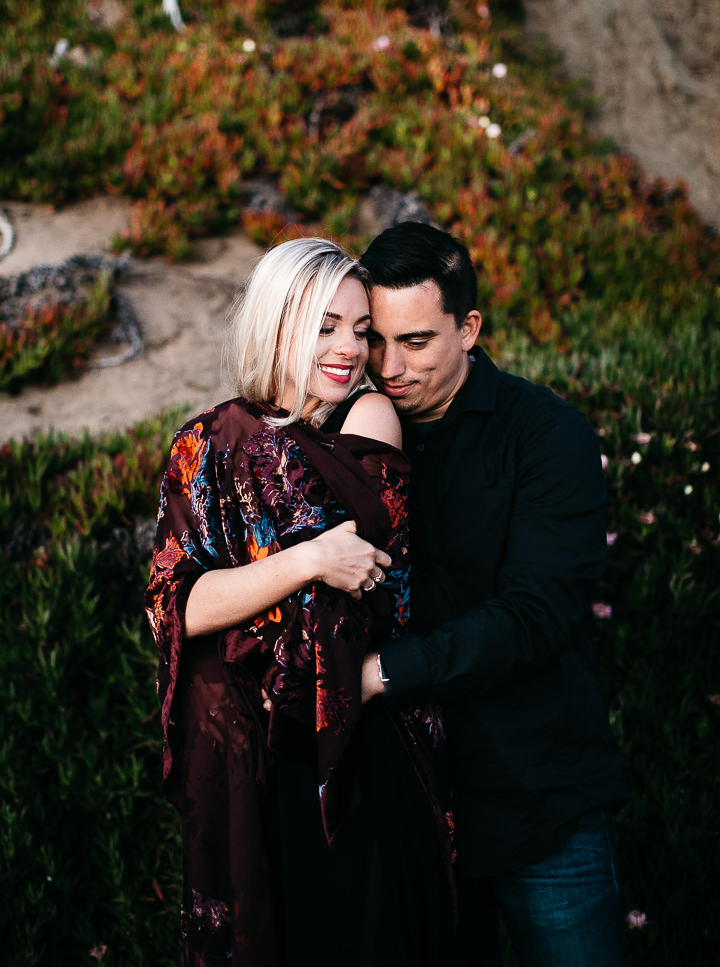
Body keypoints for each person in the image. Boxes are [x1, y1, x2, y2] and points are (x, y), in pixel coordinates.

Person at [145, 237, 456, 967]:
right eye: (325, 326)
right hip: (256, 764)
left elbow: (373, 586)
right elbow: (176, 608)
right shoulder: (209, 445)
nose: (349, 348)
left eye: (361, 330)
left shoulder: (370, 421)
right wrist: (310, 558)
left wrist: (265, 586)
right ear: (277, 322)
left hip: (357, 745)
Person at [356, 221, 630, 967]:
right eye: (373, 340)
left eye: (415, 341)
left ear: (469, 328)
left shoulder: (546, 436)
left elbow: (535, 618)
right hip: (409, 819)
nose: (389, 366)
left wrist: (380, 674)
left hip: (538, 805)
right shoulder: (351, 436)